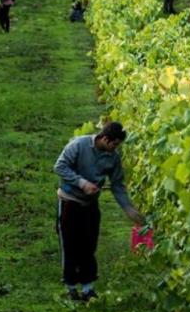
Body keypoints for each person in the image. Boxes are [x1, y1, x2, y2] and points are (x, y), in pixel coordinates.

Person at [54, 122, 146, 302]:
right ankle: (71, 287)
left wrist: (128, 208)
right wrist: (82, 183)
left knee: (89, 245)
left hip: (90, 204)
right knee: (70, 245)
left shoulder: (113, 158)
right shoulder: (79, 145)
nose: (115, 148)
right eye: (114, 144)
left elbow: (117, 184)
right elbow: (60, 167)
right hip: (69, 201)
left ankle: (88, 289)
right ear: (104, 138)